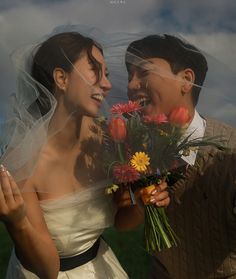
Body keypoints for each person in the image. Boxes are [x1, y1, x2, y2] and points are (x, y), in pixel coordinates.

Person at [0, 31, 170, 279]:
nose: (108, 84)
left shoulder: (108, 138)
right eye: (95, 71)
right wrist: (17, 224)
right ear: (61, 78)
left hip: (101, 265)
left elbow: (123, 222)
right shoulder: (23, 160)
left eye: (107, 74)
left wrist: (144, 202)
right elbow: (48, 270)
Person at [125, 34, 236, 279]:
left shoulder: (230, 152)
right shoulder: (138, 149)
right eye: (129, 76)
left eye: (143, 72)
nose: (131, 85)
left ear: (186, 80)